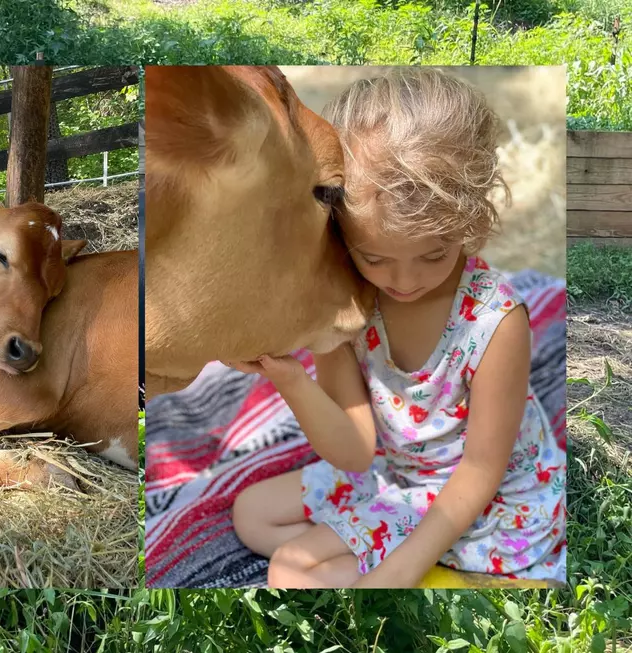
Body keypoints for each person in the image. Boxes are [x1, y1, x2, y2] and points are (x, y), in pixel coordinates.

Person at [228, 69, 565, 588]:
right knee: (252, 514)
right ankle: (387, 556)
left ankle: (435, 568)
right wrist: (292, 378)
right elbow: (354, 449)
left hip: (478, 497)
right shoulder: (345, 302)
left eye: (433, 254)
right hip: (389, 470)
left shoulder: (498, 323)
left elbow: (480, 473)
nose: (403, 281)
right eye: (375, 257)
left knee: (293, 571)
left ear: (470, 221)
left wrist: (398, 570)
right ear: (340, 231)